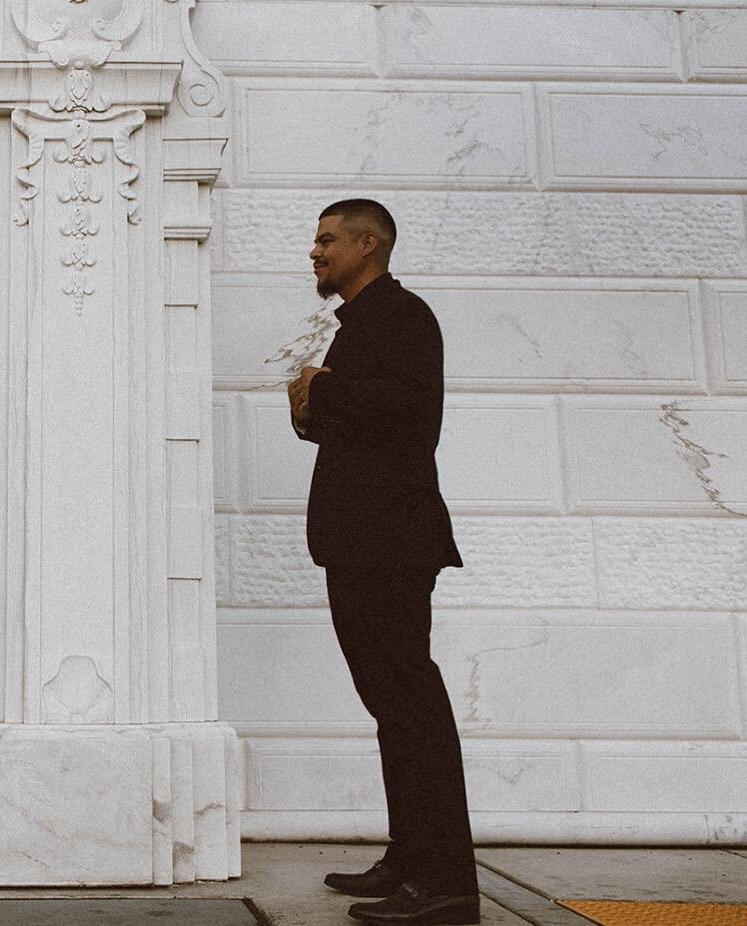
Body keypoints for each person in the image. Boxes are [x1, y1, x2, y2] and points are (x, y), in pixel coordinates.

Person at [287, 200, 477, 925]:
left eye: (327, 239)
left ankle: (448, 884)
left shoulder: (403, 316)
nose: (315, 251)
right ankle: (411, 859)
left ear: (370, 244)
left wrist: (323, 388)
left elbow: (411, 411)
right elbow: (362, 425)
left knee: (410, 705)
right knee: (393, 708)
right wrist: (310, 407)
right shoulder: (360, 327)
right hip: (361, 540)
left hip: (389, 542)